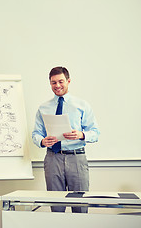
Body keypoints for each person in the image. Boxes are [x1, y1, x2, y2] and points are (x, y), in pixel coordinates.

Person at [32, 66, 100, 213]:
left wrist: (81, 135)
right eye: (53, 82)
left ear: (68, 81)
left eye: (61, 81)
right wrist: (42, 141)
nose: (57, 86)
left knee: (80, 206)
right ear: (50, 83)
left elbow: (95, 133)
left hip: (76, 158)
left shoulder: (82, 105)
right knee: (56, 206)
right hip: (52, 159)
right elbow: (36, 134)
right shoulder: (43, 108)